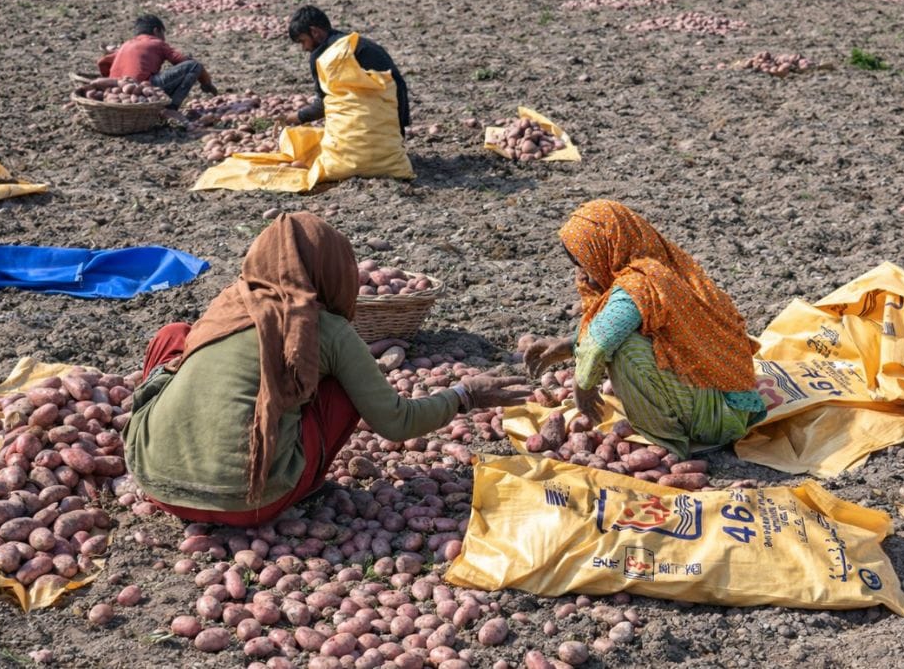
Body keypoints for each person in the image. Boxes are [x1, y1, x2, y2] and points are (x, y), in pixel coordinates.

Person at [124, 212, 528, 525]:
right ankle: (304, 483)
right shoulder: (326, 328)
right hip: (253, 503)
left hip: (155, 484)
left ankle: (170, 449)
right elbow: (396, 423)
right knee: (342, 386)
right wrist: (466, 395)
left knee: (176, 335)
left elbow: (270, 350)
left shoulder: (228, 304)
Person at [522, 200, 765, 460]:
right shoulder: (659, 264)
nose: (583, 275)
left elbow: (600, 343)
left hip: (721, 418)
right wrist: (570, 344)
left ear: (606, 248)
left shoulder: (639, 283)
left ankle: (668, 443)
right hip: (728, 401)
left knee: (623, 349)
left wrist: (584, 386)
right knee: (621, 337)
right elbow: (615, 327)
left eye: (585, 262)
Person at [284, 5, 410, 136]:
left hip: (373, 120)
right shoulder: (355, 41)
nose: (303, 48)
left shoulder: (325, 55)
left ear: (314, 32)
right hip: (395, 114)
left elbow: (323, 105)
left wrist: (295, 117)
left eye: (302, 41)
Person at [97, 14, 218, 124]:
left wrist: (111, 82)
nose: (164, 38)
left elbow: (102, 62)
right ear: (156, 31)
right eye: (163, 34)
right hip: (143, 89)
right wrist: (206, 82)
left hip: (119, 91)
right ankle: (170, 109)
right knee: (194, 66)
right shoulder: (156, 42)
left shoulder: (126, 45)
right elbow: (186, 62)